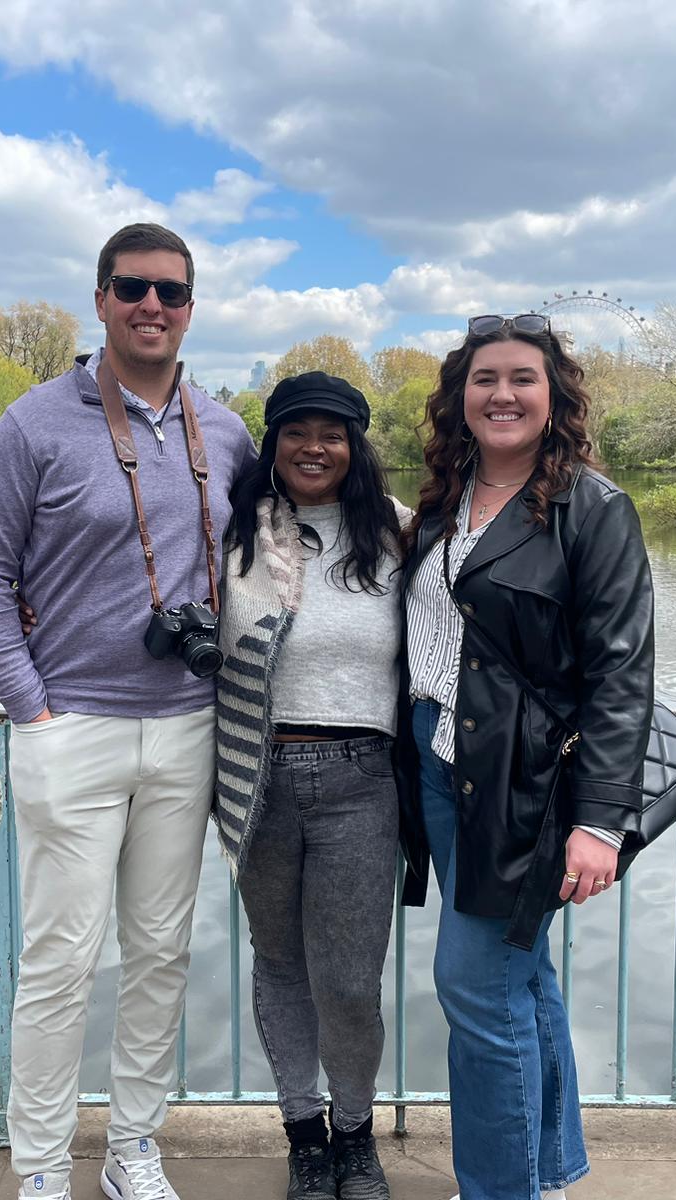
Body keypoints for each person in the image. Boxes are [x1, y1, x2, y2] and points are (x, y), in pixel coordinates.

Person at [0, 222, 257, 1200]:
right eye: (132, 288)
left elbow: (274, 555)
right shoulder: (32, 426)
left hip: (190, 727)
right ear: (100, 300)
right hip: (72, 725)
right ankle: (42, 1165)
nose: (151, 305)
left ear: (191, 308)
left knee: (162, 955)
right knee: (59, 963)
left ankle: (134, 1149)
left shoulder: (227, 432)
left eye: (171, 291)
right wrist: (30, 711)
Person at [395, 314, 656, 1200]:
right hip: (439, 764)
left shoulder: (593, 509)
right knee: (520, 978)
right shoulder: (445, 499)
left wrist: (601, 820)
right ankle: (543, 1173)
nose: (501, 394)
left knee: (474, 987)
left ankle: (498, 1189)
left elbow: (622, 673)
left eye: (521, 378)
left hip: (528, 785)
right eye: (484, 379)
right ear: (459, 397)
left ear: (555, 397)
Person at [214, 372, 409, 1200]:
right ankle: (304, 1136)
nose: (314, 447)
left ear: (356, 446)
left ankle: (355, 1134)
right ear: (274, 443)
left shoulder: (399, 533)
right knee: (281, 965)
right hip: (255, 779)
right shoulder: (236, 531)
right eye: (297, 431)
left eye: (333, 433)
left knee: (350, 982)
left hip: (362, 782)